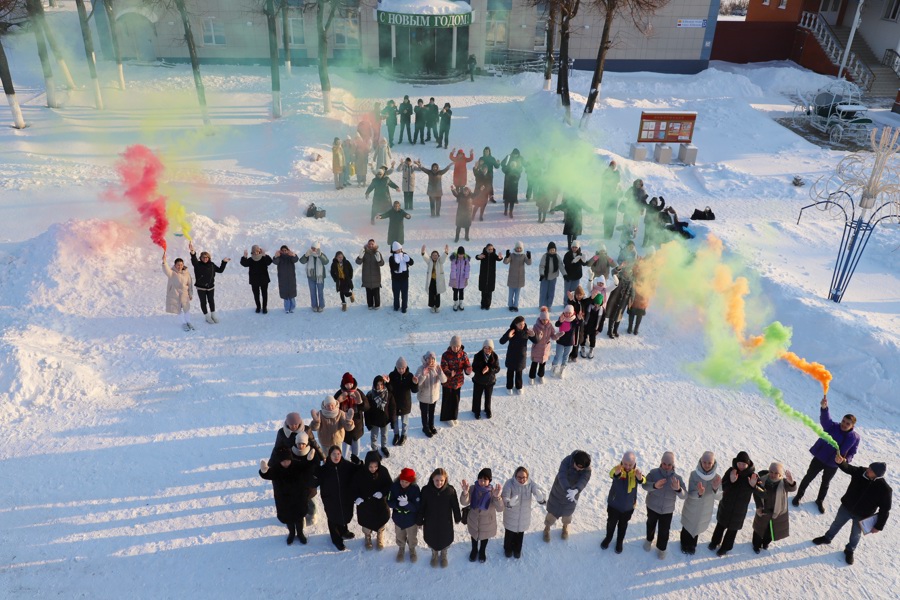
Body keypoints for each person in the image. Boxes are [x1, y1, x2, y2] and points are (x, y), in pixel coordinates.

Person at [813, 454, 891, 565]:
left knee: (856, 534)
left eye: (871, 470)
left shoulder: (885, 490)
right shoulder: (860, 472)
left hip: (862, 515)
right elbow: (848, 468)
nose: (867, 470)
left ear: (877, 475)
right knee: (836, 523)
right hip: (846, 507)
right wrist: (840, 462)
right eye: (869, 467)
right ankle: (827, 537)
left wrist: (879, 526)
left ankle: (850, 550)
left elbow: (885, 510)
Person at [794, 396, 861, 514]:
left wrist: (845, 460)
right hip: (820, 457)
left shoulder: (855, 438)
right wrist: (824, 408)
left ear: (852, 426)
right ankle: (799, 495)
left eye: (848, 423)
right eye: (844, 421)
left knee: (825, 483)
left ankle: (819, 500)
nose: (844, 424)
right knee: (809, 477)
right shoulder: (832, 426)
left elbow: (852, 452)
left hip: (833, 464)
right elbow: (825, 420)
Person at [259, 438, 317, 545]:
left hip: (298, 498)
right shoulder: (276, 469)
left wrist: (310, 460)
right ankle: (291, 533)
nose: (286, 463)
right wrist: (263, 471)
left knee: (299, 519)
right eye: (283, 461)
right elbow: (268, 474)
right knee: (289, 520)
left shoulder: (297, 466)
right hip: (284, 500)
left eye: (287, 460)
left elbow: (307, 468)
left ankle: (300, 533)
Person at [709, 451, 758, 557]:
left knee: (732, 531)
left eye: (743, 464)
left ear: (748, 464)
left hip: (739, 510)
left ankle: (725, 548)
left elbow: (762, 493)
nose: (741, 466)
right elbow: (722, 487)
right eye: (739, 463)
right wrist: (731, 481)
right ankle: (714, 542)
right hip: (726, 505)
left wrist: (753, 486)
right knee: (720, 526)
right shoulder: (731, 471)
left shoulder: (753, 476)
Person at [642, 451, 686, 560]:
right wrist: (654, 485)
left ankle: (661, 548)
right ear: (661, 462)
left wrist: (678, 489)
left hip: (667, 510)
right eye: (664, 464)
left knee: (664, 530)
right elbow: (645, 485)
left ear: (673, 465)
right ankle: (649, 539)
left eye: (669, 464)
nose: (666, 466)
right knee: (650, 524)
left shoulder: (677, 478)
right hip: (652, 506)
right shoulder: (653, 473)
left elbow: (684, 495)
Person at [601, 451, 646, 554]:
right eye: (625, 464)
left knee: (623, 525)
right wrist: (617, 473)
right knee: (611, 523)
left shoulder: (635, 473)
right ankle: (608, 538)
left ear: (634, 463)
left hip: (628, 507)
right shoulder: (618, 469)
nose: (627, 466)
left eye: (630, 465)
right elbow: (611, 474)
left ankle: (619, 541)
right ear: (622, 461)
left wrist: (639, 478)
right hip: (614, 504)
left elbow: (643, 480)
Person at [418, 468, 462, 568]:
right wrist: (419, 521)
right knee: (432, 538)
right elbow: (422, 507)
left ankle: (443, 554)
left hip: (445, 522)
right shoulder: (426, 490)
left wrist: (457, 517)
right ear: (432, 479)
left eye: (442, 480)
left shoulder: (450, 490)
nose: (439, 483)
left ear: (445, 480)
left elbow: (455, 505)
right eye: (437, 480)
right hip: (430, 521)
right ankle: (434, 554)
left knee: (445, 539)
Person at [680, 451, 722, 555]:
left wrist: (716, 489)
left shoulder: (716, 477)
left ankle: (692, 545)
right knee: (687, 526)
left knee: (697, 527)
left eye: (709, 463)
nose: (707, 465)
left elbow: (719, 497)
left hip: (705, 508)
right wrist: (699, 493)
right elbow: (690, 493)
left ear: (713, 463)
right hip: (692, 506)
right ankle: (684, 543)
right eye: (704, 462)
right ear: (700, 461)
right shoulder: (694, 474)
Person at [544, 450, 592, 542]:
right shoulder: (567, 461)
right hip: (559, 491)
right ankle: (547, 527)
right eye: (577, 467)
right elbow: (562, 475)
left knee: (567, 514)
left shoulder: (587, 469)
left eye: (581, 469)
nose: (578, 470)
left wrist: (576, 490)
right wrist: (567, 489)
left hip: (572, 496)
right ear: (574, 461)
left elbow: (584, 480)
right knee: (552, 513)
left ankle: (565, 526)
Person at [317, 445, 358, 551]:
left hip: (345, 497)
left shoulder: (347, 465)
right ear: (329, 455)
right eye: (334, 454)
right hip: (330, 499)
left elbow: (359, 471)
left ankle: (344, 531)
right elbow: (313, 481)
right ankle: (336, 539)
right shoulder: (324, 469)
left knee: (344, 514)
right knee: (332, 518)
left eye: (338, 454)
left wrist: (359, 463)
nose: (336, 456)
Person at [750, 462, 797, 553]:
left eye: (776, 473)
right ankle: (756, 545)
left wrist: (791, 482)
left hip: (778, 512)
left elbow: (792, 488)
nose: (773, 474)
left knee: (771, 531)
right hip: (764, 511)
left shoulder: (783, 483)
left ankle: (765, 543)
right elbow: (756, 494)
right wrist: (759, 507)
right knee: (759, 530)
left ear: (780, 474)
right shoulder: (762, 481)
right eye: (771, 472)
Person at [501, 466, 546, 558]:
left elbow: (538, 492)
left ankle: (517, 550)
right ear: (515, 476)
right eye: (519, 477)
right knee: (509, 533)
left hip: (523, 516)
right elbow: (504, 496)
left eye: (524, 477)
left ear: (527, 477)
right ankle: (508, 549)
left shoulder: (531, 484)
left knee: (520, 534)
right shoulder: (509, 483)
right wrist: (509, 503)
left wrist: (540, 497)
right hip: (511, 516)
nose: (522, 479)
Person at [460, 468, 503, 563]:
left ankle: (482, 551)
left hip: (487, 522)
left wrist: (497, 497)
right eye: (480, 479)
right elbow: (464, 502)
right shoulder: (472, 488)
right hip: (474, 519)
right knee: (474, 535)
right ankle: (474, 550)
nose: (482, 482)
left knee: (484, 537)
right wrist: (465, 493)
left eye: (485, 480)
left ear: (489, 481)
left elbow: (500, 509)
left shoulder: (493, 492)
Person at [352, 450, 392, 550]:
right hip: (365, 504)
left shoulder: (383, 471)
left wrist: (382, 493)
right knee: (366, 522)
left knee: (381, 521)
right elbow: (353, 487)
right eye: (370, 467)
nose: (373, 469)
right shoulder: (360, 474)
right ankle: (367, 536)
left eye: (375, 466)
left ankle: (380, 536)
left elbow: (389, 485)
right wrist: (356, 497)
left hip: (380, 504)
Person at [188, 242, 228, 324]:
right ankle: (207, 316)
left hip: (210, 287)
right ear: (201, 258)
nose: (205, 259)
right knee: (203, 302)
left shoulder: (212, 265)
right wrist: (192, 252)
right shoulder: (197, 264)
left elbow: (220, 270)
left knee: (211, 301)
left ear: (209, 258)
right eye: (203, 257)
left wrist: (224, 262)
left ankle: (213, 315)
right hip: (201, 287)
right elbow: (194, 259)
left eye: (207, 257)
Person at [386, 467, 421, 562]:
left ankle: (412, 549)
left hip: (411, 520)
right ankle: (401, 548)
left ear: (411, 481)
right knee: (399, 535)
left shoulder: (415, 489)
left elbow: (417, 507)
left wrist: (407, 504)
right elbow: (389, 501)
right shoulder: (394, 486)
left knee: (412, 536)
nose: (403, 483)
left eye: (406, 482)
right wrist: (397, 503)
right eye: (402, 481)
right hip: (398, 518)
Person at [334, 372, 367, 464]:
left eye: (350, 383)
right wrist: (338, 401)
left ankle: (355, 460)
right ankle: (343, 460)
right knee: (344, 442)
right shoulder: (339, 393)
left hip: (357, 423)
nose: (349, 386)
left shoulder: (358, 392)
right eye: (347, 384)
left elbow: (367, 407)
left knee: (356, 441)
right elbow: (331, 409)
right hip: (344, 423)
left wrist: (360, 402)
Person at [500, 316, 537, 395]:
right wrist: (508, 336)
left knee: (519, 373)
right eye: (520, 324)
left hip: (521, 357)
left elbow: (536, 341)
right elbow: (501, 341)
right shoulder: (511, 331)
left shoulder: (526, 332)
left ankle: (519, 387)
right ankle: (509, 387)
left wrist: (533, 335)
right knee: (510, 373)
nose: (522, 326)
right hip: (511, 356)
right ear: (515, 324)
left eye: (523, 324)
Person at [440, 335, 472, 424]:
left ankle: (454, 416)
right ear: (451, 346)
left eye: (457, 346)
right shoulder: (445, 355)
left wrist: (468, 370)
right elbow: (443, 367)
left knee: (456, 400)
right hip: (448, 382)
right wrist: (449, 373)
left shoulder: (463, 354)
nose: (456, 348)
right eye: (454, 346)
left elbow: (467, 365)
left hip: (458, 382)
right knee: (447, 399)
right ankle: (446, 417)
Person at [386, 357, 418, 445]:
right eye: (399, 368)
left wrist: (415, 384)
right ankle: (396, 435)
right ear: (396, 367)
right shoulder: (392, 375)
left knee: (405, 422)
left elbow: (414, 390)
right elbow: (390, 390)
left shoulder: (410, 376)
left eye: (403, 368)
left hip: (405, 403)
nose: (401, 370)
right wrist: (388, 383)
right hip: (394, 403)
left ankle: (404, 435)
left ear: (406, 367)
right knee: (394, 421)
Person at [415, 351, 446, 438]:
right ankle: (425, 427)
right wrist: (423, 375)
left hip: (434, 395)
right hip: (423, 396)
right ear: (425, 359)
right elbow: (417, 384)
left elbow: (444, 381)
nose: (430, 360)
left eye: (432, 359)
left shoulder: (437, 367)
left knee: (432, 412)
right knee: (424, 412)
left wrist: (440, 374)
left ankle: (431, 426)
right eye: (428, 358)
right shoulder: (420, 369)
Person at [365, 375, 395, 458]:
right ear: (374, 385)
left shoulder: (388, 394)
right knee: (374, 436)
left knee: (384, 434)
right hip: (374, 420)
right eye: (377, 385)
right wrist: (368, 422)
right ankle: (374, 450)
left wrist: (393, 420)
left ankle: (383, 447)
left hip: (385, 420)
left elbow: (392, 408)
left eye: (381, 384)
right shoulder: (370, 395)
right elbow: (367, 410)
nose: (379, 387)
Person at [471, 339, 500, 419]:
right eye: (485, 348)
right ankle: (476, 411)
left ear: (492, 349)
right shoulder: (477, 356)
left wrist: (490, 369)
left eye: (489, 348)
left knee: (488, 397)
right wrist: (481, 370)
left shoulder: (495, 356)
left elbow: (497, 368)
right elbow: (474, 368)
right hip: (478, 380)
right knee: (477, 396)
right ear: (483, 348)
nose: (487, 350)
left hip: (489, 381)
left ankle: (487, 410)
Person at [240, 245, 272, 314]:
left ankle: (264, 308)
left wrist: (265, 255)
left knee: (264, 294)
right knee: (256, 295)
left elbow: (269, 262)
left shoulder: (263, 258)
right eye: (254, 252)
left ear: (259, 251)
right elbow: (244, 263)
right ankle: (258, 307)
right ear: (252, 252)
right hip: (254, 280)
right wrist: (244, 256)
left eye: (257, 251)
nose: (256, 253)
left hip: (264, 279)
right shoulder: (251, 259)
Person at [550, 304, 580, 379]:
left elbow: (580, 324)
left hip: (569, 342)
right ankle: (554, 367)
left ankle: (563, 368)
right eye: (566, 312)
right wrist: (560, 321)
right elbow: (557, 324)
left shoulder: (574, 320)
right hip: (560, 340)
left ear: (572, 313)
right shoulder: (562, 318)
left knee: (565, 356)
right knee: (558, 355)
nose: (567, 314)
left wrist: (580, 319)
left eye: (569, 312)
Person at [298, 242, 328, 313]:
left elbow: (326, 262)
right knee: (312, 292)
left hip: (320, 277)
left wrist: (320, 255)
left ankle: (321, 306)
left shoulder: (321, 254)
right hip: (311, 277)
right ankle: (314, 306)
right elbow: (301, 261)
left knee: (320, 292)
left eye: (315, 248)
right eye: (312, 248)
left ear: (318, 249)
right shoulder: (309, 254)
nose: (313, 249)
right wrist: (305, 255)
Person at [579, 278, 606, 358]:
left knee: (592, 338)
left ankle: (591, 349)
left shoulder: (602, 311)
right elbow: (584, 303)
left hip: (594, 327)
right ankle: (582, 347)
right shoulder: (588, 306)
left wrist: (599, 329)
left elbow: (602, 320)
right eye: (595, 303)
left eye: (598, 304)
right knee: (583, 337)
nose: (596, 305)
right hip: (586, 325)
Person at [528, 307, 556, 384]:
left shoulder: (550, 326)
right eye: (543, 319)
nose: (544, 321)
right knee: (534, 363)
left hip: (545, 349)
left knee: (542, 364)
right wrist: (534, 334)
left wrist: (557, 336)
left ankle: (541, 375)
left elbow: (553, 335)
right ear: (540, 319)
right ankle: (531, 376)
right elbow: (533, 336)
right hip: (537, 348)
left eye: (546, 319)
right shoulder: (536, 326)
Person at [606, 268, 635, 339]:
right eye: (626, 271)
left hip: (624, 300)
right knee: (612, 313)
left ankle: (615, 330)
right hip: (615, 297)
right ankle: (610, 331)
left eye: (628, 272)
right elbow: (613, 272)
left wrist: (631, 300)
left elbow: (632, 291)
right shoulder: (619, 276)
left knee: (619, 314)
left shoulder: (631, 280)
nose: (626, 273)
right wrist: (618, 268)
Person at [356, 239, 384, 310]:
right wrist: (360, 257)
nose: (370, 245)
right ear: (367, 245)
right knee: (369, 292)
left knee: (376, 292)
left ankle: (377, 305)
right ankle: (370, 304)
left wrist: (379, 260)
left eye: (372, 244)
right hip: (367, 276)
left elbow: (382, 264)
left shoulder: (377, 253)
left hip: (376, 277)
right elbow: (358, 262)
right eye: (369, 244)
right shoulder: (364, 253)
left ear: (374, 245)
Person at [503, 241, 531, 312]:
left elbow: (528, 263)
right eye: (517, 248)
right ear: (515, 248)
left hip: (520, 279)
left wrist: (529, 257)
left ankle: (515, 306)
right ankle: (510, 305)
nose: (518, 249)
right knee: (511, 294)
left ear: (522, 249)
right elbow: (505, 262)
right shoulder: (512, 255)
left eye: (520, 248)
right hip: (512, 278)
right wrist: (507, 256)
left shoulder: (523, 256)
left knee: (517, 295)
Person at [272, 245, 299, 314]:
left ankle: (292, 307)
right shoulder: (279, 258)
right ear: (280, 251)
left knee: (292, 294)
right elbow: (275, 262)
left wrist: (293, 255)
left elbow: (295, 260)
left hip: (291, 279)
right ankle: (287, 308)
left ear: (288, 250)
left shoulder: (290, 257)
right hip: (282, 279)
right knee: (285, 295)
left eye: (285, 250)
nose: (284, 252)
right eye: (283, 250)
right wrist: (276, 256)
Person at [475, 243, 503, 310]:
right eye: (489, 249)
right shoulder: (483, 254)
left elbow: (498, 258)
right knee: (483, 292)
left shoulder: (494, 255)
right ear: (486, 249)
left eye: (491, 249)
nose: (490, 250)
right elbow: (477, 257)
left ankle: (487, 305)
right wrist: (478, 256)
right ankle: (483, 304)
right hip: (483, 276)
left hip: (491, 277)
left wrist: (500, 257)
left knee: (489, 293)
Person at [422, 244, 448, 313]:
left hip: (438, 281)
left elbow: (443, 258)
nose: (435, 257)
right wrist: (423, 252)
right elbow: (425, 257)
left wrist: (445, 252)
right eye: (433, 255)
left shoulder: (440, 261)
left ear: (438, 256)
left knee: (437, 293)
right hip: (431, 281)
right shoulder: (429, 261)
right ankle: (432, 306)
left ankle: (437, 306)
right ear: (431, 256)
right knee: (431, 294)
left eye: (436, 255)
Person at [388, 242, 413, 313]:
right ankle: (396, 306)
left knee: (404, 293)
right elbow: (393, 268)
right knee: (396, 293)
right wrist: (397, 262)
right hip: (396, 279)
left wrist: (408, 260)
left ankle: (404, 307)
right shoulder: (391, 258)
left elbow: (411, 263)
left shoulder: (405, 255)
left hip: (404, 278)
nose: (399, 250)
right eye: (397, 249)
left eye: (400, 248)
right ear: (394, 250)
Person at [500, 149, 524, 217]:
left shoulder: (519, 160)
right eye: (514, 154)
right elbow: (503, 165)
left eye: (516, 154)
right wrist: (505, 168)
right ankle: (505, 209)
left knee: (512, 198)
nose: (515, 155)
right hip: (508, 185)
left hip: (514, 186)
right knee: (507, 198)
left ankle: (511, 211)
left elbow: (521, 168)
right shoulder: (508, 157)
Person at [601, 160, 621, 239]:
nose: (612, 167)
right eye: (611, 166)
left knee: (612, 219)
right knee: (606, 219)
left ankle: (610, 235)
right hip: (607, 197)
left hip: (614, 201)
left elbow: (618, 180)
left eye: (614, 166)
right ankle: (606, 234)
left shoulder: (617, 173)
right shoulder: (606, 172)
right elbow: (603, 179)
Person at [538, 241, 560, 310]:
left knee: (551, 292)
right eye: (551, 250)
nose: (552, 251)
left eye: (553, 250)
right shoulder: (545, 256)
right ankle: (542, 305)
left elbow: (561, 266)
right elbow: (541, 266)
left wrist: (564, 274)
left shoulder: (557, 257)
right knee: (544, 291)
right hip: (545, 277)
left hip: (553, 277)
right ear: (548, 250)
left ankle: (549, 305)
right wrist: (542, 274)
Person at [448, 246, 470, 311]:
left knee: (461, 291)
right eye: (459, 254)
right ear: (457, 254)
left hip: (462, 279)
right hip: (455, 279)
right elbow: (453, 270)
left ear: (464, 254)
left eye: (462, 254)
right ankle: (455, 303)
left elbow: (467, 269)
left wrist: (466, 279)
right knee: (455, 291)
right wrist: (454, 279)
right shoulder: (454, 260)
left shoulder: (466, 260)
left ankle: (461, 303)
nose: (460, 256)